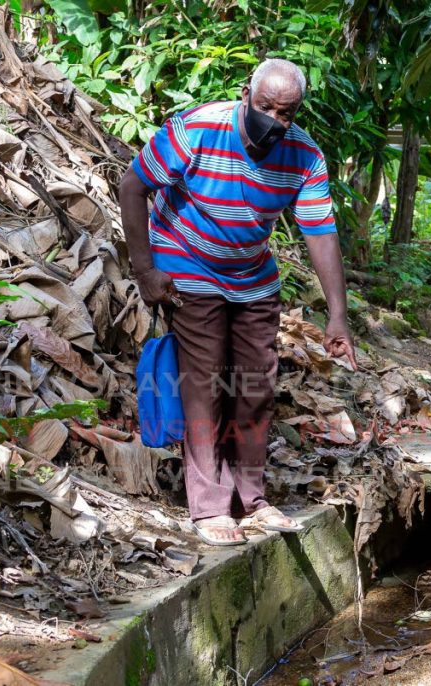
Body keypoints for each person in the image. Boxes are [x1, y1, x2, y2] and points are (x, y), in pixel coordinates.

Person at [119, 59, 358, 546]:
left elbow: (320, 231)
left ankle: (251, 499)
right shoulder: (199, 129)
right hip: (185, 258)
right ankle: (208, 506)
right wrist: (145, 270)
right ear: (246, 92)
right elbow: (133, 185)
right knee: (204, 377)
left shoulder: (304, 157)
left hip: (251, 273)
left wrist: (337, 315)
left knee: (255, 385)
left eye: (286, 113)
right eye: (265, 106)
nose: (273, 120)